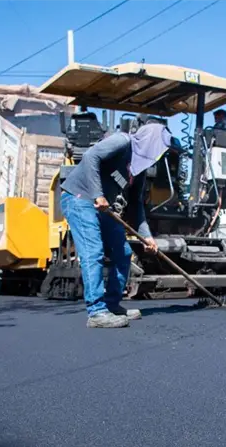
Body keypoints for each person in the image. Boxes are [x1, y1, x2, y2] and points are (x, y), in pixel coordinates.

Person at [60, 123, 168, 328]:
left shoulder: (139, 170)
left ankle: (111, 304)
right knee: (93, 252)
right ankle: (96, 312)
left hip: (103, 207)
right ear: (149, 143)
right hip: (79, 198)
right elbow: (91, 156)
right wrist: (98, 194)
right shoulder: (122, 141)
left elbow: (136, 204)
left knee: (123, 252)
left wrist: (147, 237)